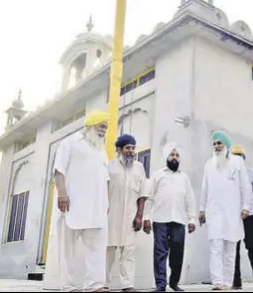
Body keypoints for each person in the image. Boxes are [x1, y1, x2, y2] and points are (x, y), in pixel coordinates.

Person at [53, 110, 110, 292]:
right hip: (72, 204)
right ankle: (67, 287)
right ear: (91, 126)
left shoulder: (101, 150)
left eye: (106, 128)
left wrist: (105, 203)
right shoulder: (70, 142)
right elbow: (58, 170)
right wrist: (62, 193)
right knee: (67, 250)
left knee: (97, 249)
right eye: (102, 126)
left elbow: (105, 179)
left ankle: (94, 286)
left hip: (96, 208)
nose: (104, 131)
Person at [199, 130, 252, 291]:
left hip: (232, 211)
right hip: (214, 210)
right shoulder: (209, 164)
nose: (216, 146)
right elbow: (204, 188)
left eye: (219, 143)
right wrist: (201, 209)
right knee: (215, 246)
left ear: (226, 145)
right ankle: (217, 282)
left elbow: (245, 186)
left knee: (230, 248)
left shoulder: (237, 162)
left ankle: (227, 283)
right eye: (214, 143)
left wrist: (246, 207)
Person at [143, 142, 197, 292]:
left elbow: (190, 199)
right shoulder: (158, 175)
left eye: (177, 155)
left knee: (177, 253)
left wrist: (192, 219)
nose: (174, 158)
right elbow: (150, 197)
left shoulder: (184, 177)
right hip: (160, 220)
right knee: (160, 253)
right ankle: (161, 285)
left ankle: (174, 282)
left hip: (179, 220)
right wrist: (146, 217)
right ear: (166, 157)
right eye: (172, 155)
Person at [105, 134, 149, 292]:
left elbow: (143, 193)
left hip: (131, 216)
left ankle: (127, 286)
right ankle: (104, 284)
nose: (131, 151)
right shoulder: (110, 166)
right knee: (108, 251)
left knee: (128, 251)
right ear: (119, 150)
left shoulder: (139, 168)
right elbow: (103, 192)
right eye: (127, 148)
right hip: (110, 216)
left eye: (133, 148)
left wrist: (140, 216)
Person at [230, 146, 253, 290]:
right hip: (233, 217)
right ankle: (235, 281)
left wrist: (251, 210)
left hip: (248, 216)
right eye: (234, 155)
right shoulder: (227, 173)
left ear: (244, 158)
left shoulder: (251, 173)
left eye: (240, 155)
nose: (237, 158)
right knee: (232, 250)